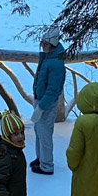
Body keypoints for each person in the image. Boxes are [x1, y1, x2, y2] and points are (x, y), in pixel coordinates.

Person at [30, 27, 66, 176]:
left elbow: (52, 90)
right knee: (39, 130)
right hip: (40, 100)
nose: (42, 46)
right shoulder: (48, 58)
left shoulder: (56, 64)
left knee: (45, 133)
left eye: (45, 43)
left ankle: (47, 165)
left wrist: (41, 107)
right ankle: (40, 158)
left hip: (46, 104)